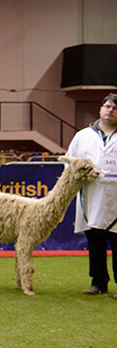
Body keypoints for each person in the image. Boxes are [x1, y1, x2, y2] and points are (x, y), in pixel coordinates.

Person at [65, 93, 117, 297]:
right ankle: (98, 283)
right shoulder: (83, 135)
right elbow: (69, 161)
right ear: (100, 109)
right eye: (107, 106)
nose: (110, 110)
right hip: (91, 195)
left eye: (114, 108)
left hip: (115, 198)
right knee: (95, 241)